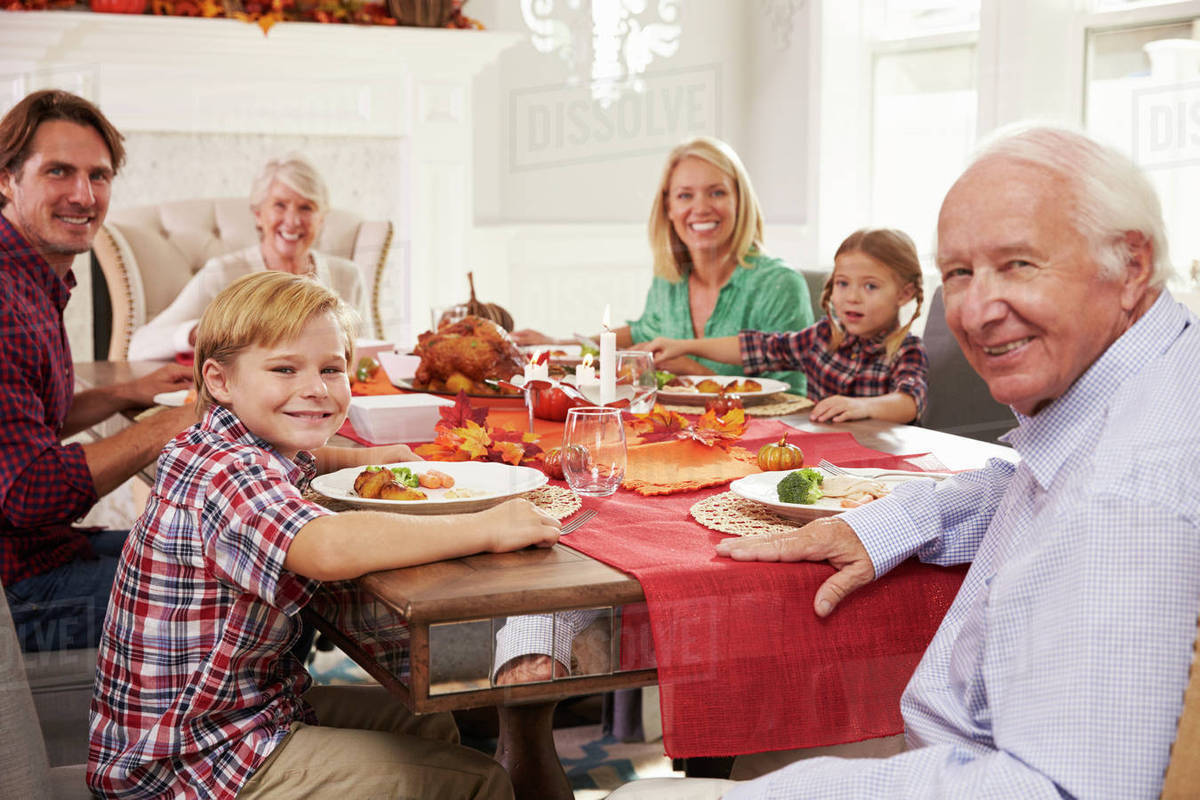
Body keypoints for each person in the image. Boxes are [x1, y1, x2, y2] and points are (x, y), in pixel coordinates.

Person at [605, 125, 1200, 799]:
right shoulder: (1150, 382)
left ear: (1132, 266)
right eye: (961, 273)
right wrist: (883, 524)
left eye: (1019, 265)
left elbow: (1058, 790)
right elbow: (1031, 486)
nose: (975, 311)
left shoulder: (1127, 495)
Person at [88, 270, 560, 800]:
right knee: (481, 783)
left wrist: (367, 458)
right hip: (191, 758)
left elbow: (295, 465)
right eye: (285, 369)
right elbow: (327, 546)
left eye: (331, 369)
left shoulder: (223, 445)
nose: (314, 389)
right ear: (219, 381)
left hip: (227, 712)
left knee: (427, 725)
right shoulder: (226, 473)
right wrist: (484, 527)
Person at [0, 89, 195, 652]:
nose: (84, 196)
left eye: (99, 176)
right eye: (58, 171)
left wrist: (128, 393)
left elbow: (32, 425)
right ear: (8, 178)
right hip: (17, 588)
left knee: (209, 544)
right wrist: (165, 425)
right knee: (259, 586)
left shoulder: (31, 278)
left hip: (41, 551)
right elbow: (27, 491)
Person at [513, 136, 813, 393]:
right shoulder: (670, 279)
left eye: (717, 192)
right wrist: (561, 344)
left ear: (740, 200)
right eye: (685, 195)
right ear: (669, 207)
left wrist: (692, 373)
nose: (701, 208)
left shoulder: (779, 285)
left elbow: (793, 402)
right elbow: (642, 332)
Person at [638, 227, 929, 423]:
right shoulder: (823, 337)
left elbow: (908, 402)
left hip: (878, 463)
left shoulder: (907, 349)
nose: (852, 297)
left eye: (870, 287)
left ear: (904, 294)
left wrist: (862, 407)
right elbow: (757, 348)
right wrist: (684, 346)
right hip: (825, 458)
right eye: (842, 283)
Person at [127, 152, 366, 361]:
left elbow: (368, 354)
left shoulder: (347, 275)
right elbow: (140, 346)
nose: (292, 221)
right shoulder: (222, 273)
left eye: (306, 208)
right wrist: (201, 332)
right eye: (280, 205)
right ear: (258, 214)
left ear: (321, 218)